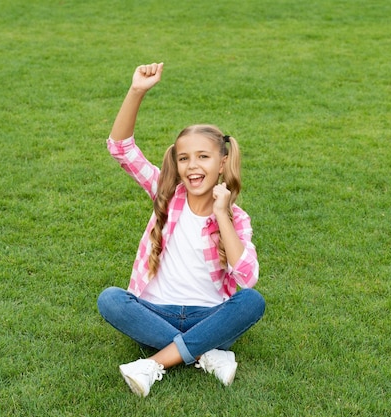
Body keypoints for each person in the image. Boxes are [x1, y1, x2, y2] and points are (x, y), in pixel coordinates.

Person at [97, 62, 265, 397]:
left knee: (252, 302)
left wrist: (221, 214)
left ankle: (154, 363)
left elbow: (246, 278)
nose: (192, 166)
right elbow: (120, 149)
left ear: (221, 163)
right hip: (155, 311)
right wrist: (137, 90)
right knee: (111, 300)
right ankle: (206, 354)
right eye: (184, 158)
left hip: (210, 316)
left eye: (203, 156)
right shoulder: (166, 194)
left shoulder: (236, 217)